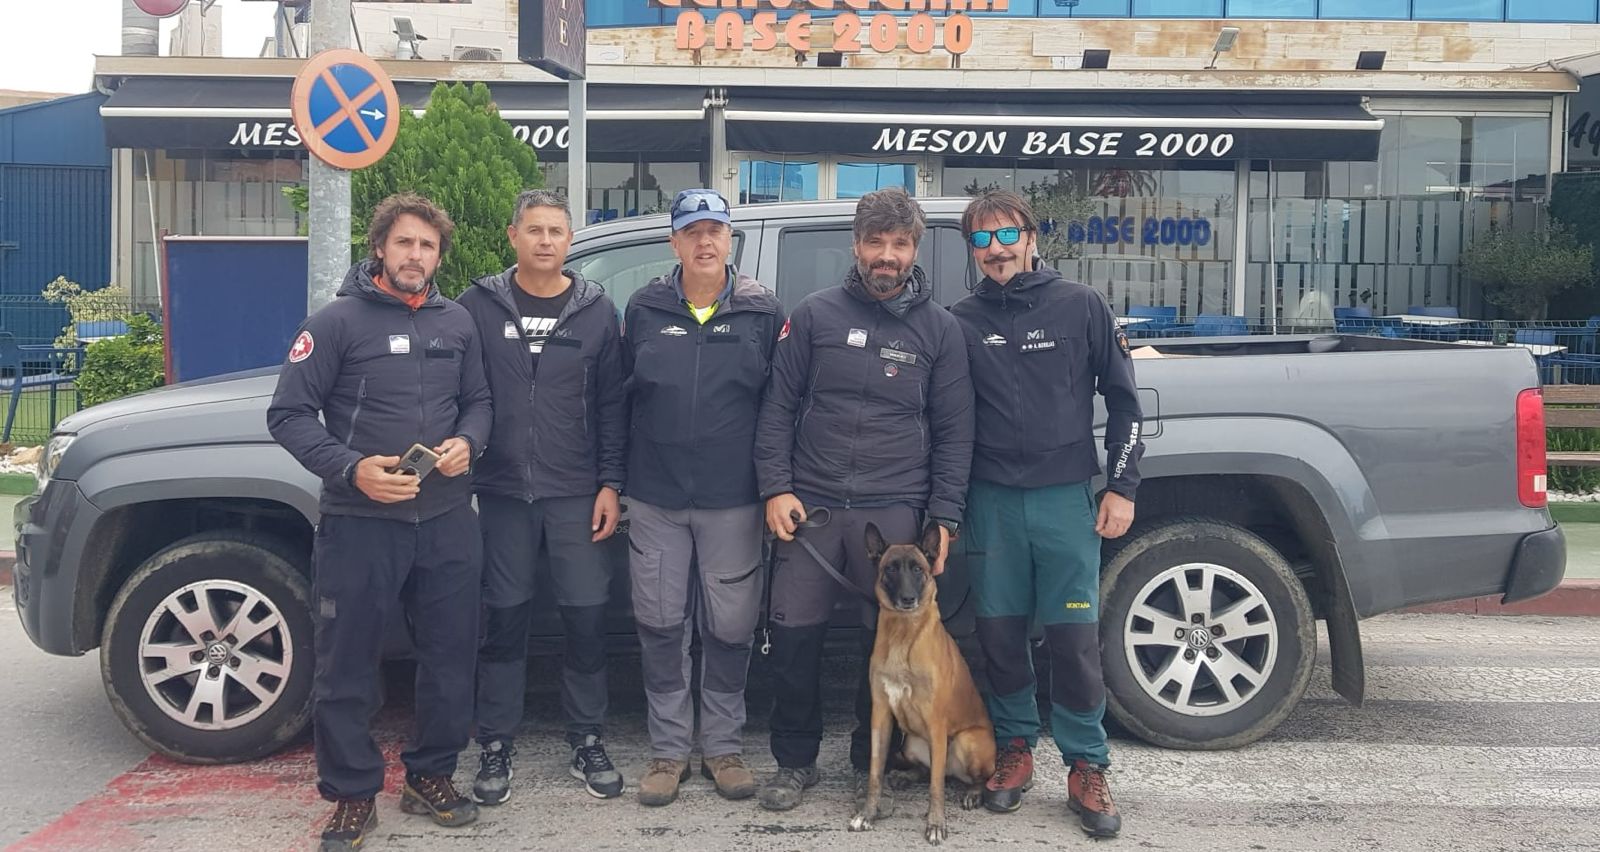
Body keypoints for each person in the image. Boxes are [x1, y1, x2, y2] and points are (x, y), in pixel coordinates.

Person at [267, 192, 493, 852]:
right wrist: (351, 468)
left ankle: (431, 776)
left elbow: (480, 403)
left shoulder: (458, 324)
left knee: (453, 658)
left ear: (438, 255)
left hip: (448, 519)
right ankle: (351, 795)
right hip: (360, 521)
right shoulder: (335, 322)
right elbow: (288, 415)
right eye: (404, 243)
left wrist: (467, 445)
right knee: (348, 664)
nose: (415, 255)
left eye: (427, 245)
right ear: (380, 249)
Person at [752, 186, 974, 812]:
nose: (886, 255)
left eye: (899, 244)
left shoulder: (941, 330)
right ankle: (794, 763)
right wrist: (776, 487)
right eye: (875, 242)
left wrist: (945, 519)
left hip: (895, 510)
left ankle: (865, 756)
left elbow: (957, 432)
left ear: (914, 249)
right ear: (856, 246)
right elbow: (777, 409)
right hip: (812, 508)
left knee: (881, 642)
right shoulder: (816, 315)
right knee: (793, 637)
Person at [948, 189, 1144, 838]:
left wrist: (1122, 486)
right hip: (990, 505)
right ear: (971, 251)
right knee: (1000, 638)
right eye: (981, 240)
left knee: (1074, 642)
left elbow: (1124, 402)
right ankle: (1015, 750)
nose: (996, 250)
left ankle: (1087, 764)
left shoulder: (1080, 305)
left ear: (1032, 237)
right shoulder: (959, 321)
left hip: (1065, 500)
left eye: (1007, 236)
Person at [456, 189, 628, 803]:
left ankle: (586, 737)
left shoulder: (597, 310)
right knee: (504, 621)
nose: (547, 241)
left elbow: (613, 406)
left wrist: (611, 483)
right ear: (513, 236)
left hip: (577, 493)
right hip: (500, 492)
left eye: (557, 230)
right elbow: (458, 393)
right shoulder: (476, 306)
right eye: (535, 230)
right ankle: (496, 742)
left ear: (571, 239)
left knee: (586, 618)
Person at [621, 188, 784, 806]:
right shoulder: (642, 307)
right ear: (675, 243)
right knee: (661, 626)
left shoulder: (762, 312)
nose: (705, 241)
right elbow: (618, 401)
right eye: (693, 231)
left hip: (734, 500)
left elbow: (779, 409)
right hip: (656, 498)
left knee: (730, 629)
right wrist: (614, 482)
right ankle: (667, 753)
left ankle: (722, 748)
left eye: (716, 229)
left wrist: (774, 487)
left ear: (730, 239)